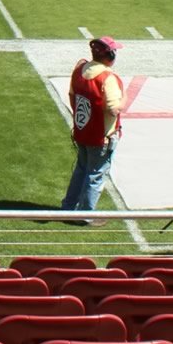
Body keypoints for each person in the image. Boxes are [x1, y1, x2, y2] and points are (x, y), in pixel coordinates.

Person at [59, 36, 125, 223]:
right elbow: (114, 109)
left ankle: (68, 208)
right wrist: (125, 97)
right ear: (110, 54)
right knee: (95, 174)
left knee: (81, 169)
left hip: (83, 131)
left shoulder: (80, 70)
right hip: (101, 136)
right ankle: (86, 215)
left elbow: (73, 96)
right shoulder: (108, 78)